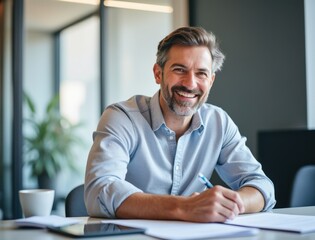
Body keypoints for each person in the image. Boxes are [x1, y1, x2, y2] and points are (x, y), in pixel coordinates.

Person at [84, 26, 276, 222]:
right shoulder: (122, 118)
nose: (190, 83)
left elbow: (262, 186)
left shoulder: (219, 122)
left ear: (211, 81)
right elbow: (99, 191)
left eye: (201, 73)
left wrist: (227, 204)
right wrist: (183, 207)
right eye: (179, 70)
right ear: (158, 74)